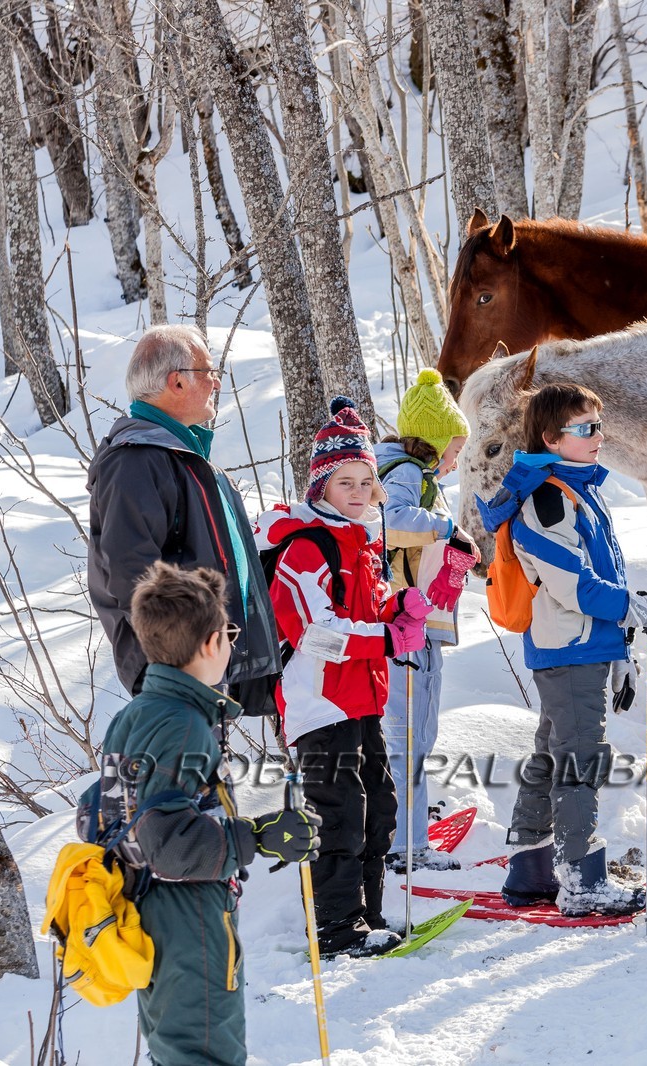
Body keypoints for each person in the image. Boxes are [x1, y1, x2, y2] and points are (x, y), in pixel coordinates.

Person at [93, 561, 319, 1066]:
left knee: (176, 1048)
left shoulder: (139, 713)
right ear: (212, 643)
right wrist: (255, 838)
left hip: (152, 909)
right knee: (203, 1051)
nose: (232, 645)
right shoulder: (182, 724)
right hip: (188, 918)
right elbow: (168, 842)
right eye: (230, 634)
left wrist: (257, 828)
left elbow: (125, 815)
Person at [476, 383, 647, 917]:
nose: (598, 435)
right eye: (585, 428)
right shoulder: (548, 500)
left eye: (598, 425)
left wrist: (620, 646)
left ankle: (531, 870)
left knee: (552, 754)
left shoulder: (577, 490)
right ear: (551, 438)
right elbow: (572, 586)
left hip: (579, 646)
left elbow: (595, 578)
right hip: (569, 649)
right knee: (581, 759)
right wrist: (630, 607)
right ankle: (582, 880)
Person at [254, 397, 432, 957]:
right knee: (340, 816)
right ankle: (335, 927)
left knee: (379, 808)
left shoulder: (363, 542)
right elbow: (314, 633)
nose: (357, 492)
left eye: (365, 481)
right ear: (320, 487)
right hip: (319, 702)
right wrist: (387, 638)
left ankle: (368, 915)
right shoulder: (305, 548)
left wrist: (398, 605)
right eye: (344, 482)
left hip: (363, 698)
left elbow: (366, 606)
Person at [88, 324, 278, 705]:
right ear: (176, 382)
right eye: (208, 371)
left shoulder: (184, 460)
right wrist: (182, 658)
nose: (217, 383)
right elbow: (132, 572)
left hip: (204, 664)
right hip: (176, 669)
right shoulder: (135, 461)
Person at [376, 369, 479, 873]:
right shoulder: (406, 475)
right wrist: (447, 527)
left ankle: (405, 830)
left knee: (410, 736)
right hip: (408, 627)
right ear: (434, 444)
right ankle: (407, 846)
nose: (456, 461)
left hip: (411, 623)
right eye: (454, 450)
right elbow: (390, 521)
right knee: (410, 737)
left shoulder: (403, 472)